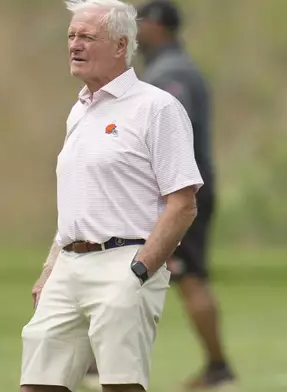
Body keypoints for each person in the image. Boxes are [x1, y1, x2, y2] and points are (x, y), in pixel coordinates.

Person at [19, 0, 204, 391]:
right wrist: (50, 269)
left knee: (120, 385)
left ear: (120, 45)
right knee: (37, 384)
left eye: (87, 37)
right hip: (69, 266)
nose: (74, 45)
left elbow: (183, 204)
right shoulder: (80, 110)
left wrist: (138, 271)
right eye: (71, 36)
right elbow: (77, 203)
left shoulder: (157, 108)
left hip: (125, 262)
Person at [83, 1, 237, 390]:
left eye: (139, 25)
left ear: (157, 27)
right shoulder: (168, 68)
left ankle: (218, 368)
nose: (132, 33)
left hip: (177, 196)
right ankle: (102, 359)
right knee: (139, 268)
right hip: (172, 193)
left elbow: (162, 131)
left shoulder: (172, 74)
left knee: (182, 275)